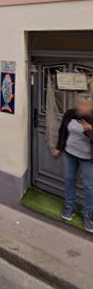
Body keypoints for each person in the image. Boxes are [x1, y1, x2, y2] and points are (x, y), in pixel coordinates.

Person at [53, 93, 93, 233]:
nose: (83, 108)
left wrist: (90, 130)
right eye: (81, 104)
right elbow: (62, 130)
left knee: (89, 186)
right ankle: (69, 207)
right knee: (69, 180)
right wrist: (59, 147)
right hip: (70, 153)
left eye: (86, 105)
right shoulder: (70, 114)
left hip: (88, 158)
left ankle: (87, 214)